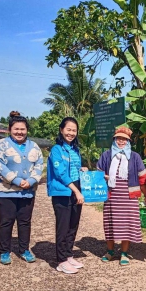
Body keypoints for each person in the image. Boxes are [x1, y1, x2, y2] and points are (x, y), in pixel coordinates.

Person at [0, 111, 43, 265]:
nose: (19, 132)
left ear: (27, 130)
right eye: (16, 129)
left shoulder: (34, 146)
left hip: (27, 192)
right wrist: (17, 180)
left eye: (23, 129)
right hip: (6, 191)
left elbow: (39, 165)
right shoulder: (2, 145)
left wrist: (32, 180)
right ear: (10, 129)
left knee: (25, 222)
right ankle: (4, 251)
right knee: (6, 222)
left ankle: (24, 250)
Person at [97, 126, 146, 266]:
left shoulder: (135, 157)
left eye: (124, 139)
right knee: (110, 224)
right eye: (119, 138)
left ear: (129, 141)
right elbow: (97, 174)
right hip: (111, 196)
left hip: (129, 197)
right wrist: (104, 177)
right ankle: (110, 251)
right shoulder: (106, 155)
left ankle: (124, 253)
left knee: (126, 225)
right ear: (114, 139)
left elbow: (143, 178)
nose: (121, 141)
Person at [47, 117, 88, 274]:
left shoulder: (75, 149)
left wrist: (82, 170)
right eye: (68, 129)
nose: (71, 133)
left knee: (73, 224)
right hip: (63, 191)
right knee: (63, 226)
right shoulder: (56, 150)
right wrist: (76, 191)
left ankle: (69, 254)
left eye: (74, 130)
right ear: (61, 129)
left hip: (76, 189)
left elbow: (73, 169)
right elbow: (61, 173)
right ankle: (61, 260)